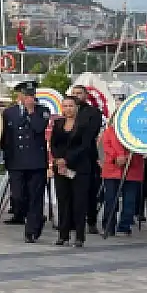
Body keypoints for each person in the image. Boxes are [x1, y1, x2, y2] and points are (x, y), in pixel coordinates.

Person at [2, 83, 50, 242]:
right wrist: (6, 153)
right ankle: (33, 217)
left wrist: (31, 111)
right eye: (26, 95)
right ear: (20, 96)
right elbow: (5, 136)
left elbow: (38, 128)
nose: (30, 98)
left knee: (35, 196)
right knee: (18, 196)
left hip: (35, 161)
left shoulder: (42, 111)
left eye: (32, 95)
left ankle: (32, 230)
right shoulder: (9, 112)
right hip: (16, 161)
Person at [50, 96, 98, 248]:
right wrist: (58, 159)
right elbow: (53, 144)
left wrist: (67, 159)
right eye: (65, 106)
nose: (68, 109)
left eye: (70, 106)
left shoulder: (84, 124)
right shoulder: (58, 123)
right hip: (61, 168)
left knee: (79, 202)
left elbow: (85, 146)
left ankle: (79, 236)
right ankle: (63, 235)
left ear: (76, 107)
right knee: (63, 201)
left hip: (80, 168)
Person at [99, 118, 145, 237]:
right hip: (112, 169)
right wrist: (117, 157)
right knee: (110, 199)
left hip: (132, 169)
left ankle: (124, 226)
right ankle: (108, 225)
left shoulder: (138, 130)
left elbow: (142, 146)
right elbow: (106, 146)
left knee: (129, 201)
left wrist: (127, 157)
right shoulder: (109, 131)